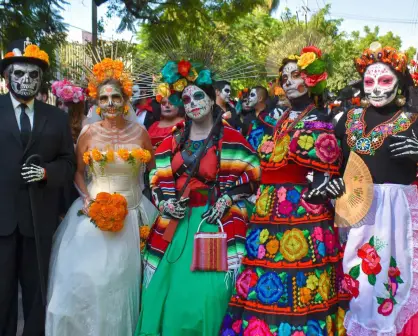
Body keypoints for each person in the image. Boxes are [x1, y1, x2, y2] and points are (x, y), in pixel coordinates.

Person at [220, 46, 348, 335]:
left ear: (313, 80)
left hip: (302, 214)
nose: (288, 81)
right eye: (285, 76)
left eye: (296, 75)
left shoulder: (319, 118)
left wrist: (320, 189)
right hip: (268, 212)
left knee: (301, 285)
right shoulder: (283, 119)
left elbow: (325, 170)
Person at [137, 58, 261, 336]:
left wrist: (225, 200)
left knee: (206, 296)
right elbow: (156, 177)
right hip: (174, 224)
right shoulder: (173, 139)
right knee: (162, 295)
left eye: (198, 96)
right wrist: (166, 201)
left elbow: (251, 174)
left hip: (212, 225)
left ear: (211, 99)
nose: (192, 102)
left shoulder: (231, 138)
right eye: (186, 98)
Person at [46, 56, 155, 335]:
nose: (110, 104)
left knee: (126, 283)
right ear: (96, 101)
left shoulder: (142, 133)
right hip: (93, 216)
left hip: (133, 216)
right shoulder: (88, 133)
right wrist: (86, 197)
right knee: (90, 281)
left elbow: (153, 172)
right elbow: (78, 171)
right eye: (104, 98)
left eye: (116, 97)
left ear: (126, 99)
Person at [336, 43, 418, 336]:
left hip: (399, 213)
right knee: (357, 277)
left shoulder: (414, 120)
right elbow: (331, 165)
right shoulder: (346, 120)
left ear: (401, 83)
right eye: (369, 81)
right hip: (356, 208)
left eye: (385, 80)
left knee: (396, 274)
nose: (376, 88)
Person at [0, 39, 75, 335]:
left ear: (42, 78)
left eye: (33, 75)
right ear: (7, 77)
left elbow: (68, 163)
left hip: (38, 219)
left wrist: (47, 172)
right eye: (19, 74)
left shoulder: (56, 117)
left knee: (37, 296)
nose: (26, 80)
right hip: (2, 220)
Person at [243, 85, 278, 152]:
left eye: (252, 95)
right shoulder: (247, 117)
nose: (249, 98)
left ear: (260, 98)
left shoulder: (272, 115)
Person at [51, 79, 86, 144]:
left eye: (66, 104)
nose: (62, 107)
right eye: (59, 103)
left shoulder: (85, 123)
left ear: (75, 106)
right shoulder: (54, 121)